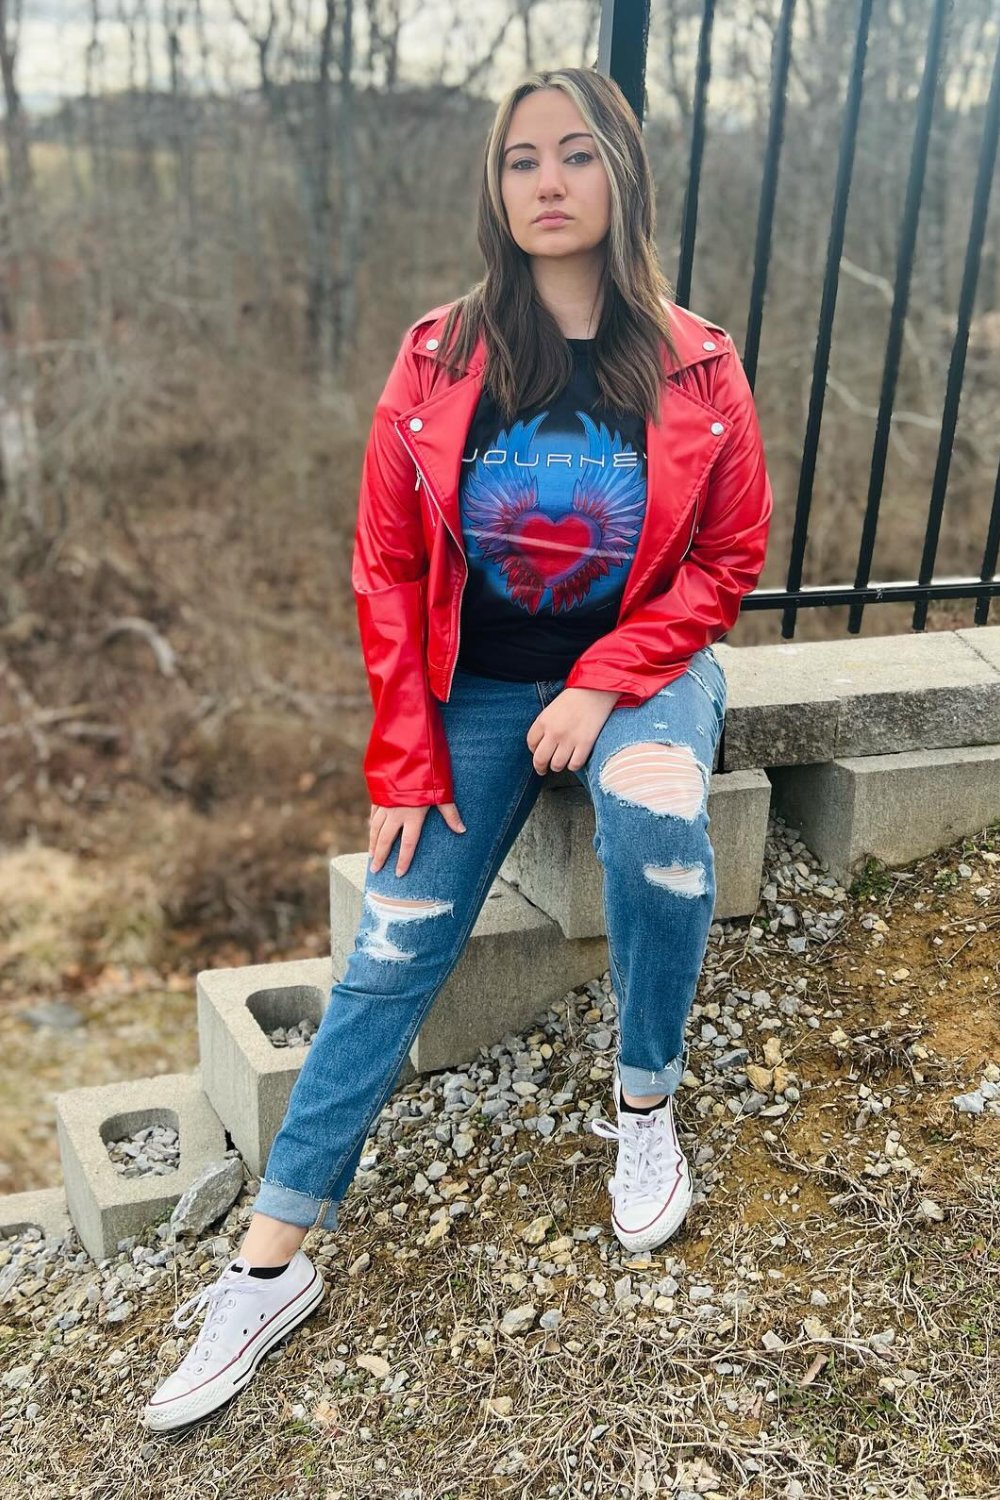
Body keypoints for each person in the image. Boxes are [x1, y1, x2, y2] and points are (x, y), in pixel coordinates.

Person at [142, 63, 772, 1433]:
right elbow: (383, 562)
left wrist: (606, 688)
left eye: (576, 155)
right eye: (520, 161)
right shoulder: (438, 355)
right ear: (497, 191)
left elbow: (724, 560)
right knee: (395, 937)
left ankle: (645, 1098)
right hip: (475, 685)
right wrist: (405, 760)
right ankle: (269, 1264)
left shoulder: (697, 361)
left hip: (644, 674)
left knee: (660, 827)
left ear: (623, 174)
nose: (547, 181)